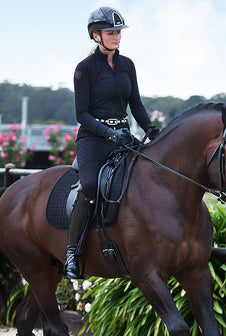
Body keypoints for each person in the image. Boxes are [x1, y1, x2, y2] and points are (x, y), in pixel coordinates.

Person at [64, 6, 159, 280]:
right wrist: (107, 132)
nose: (116, 37)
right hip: (93, 140)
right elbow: (81, 114)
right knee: (91, 185)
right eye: (110, 32)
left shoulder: (127, 65)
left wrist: (153, 131)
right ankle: (72, 252)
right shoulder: (84, 69)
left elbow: (136, 105)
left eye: (118, 32)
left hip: (123, 138)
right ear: (96, 36)